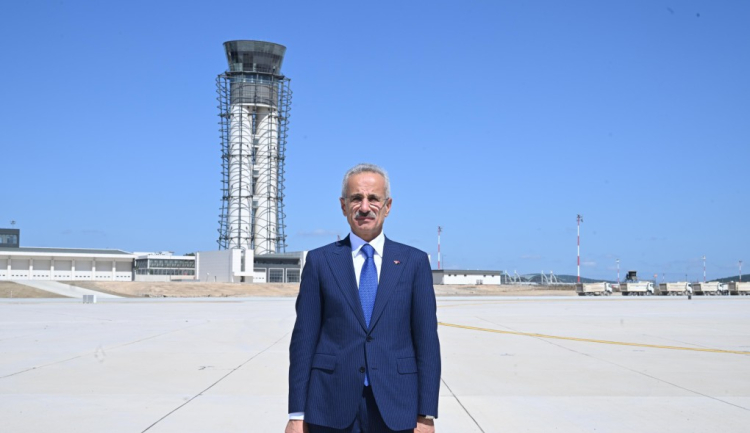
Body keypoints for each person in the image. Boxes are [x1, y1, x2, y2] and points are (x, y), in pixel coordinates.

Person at [286, 163, 441, 433]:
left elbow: (427, 343)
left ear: (388, 206)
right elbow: (303, 341)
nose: (365, 207)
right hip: (329, 405)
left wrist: (425, 414)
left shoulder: (414, 262)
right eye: (356, 198)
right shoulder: (320, 261)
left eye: (374, 198)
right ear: (343, 206)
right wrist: (297, 414)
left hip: (397, 406)